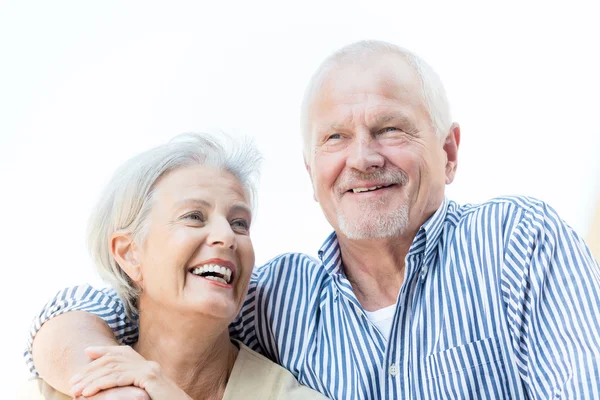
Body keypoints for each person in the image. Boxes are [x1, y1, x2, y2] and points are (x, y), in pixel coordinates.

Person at [26, 40, 600, 399]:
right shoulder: (278, 299)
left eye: (390, 129)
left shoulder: (518, 243)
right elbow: (118, 308)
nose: (362, 157)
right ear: (312, 174)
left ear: (448, 153)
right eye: (335, 138)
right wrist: (104, 385)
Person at [21, 133, 326, 399]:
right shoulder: (53, 392)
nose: (226, 236)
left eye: (239, 223)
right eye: (194, 216)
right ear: (130, 254)